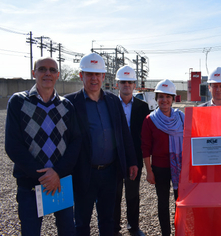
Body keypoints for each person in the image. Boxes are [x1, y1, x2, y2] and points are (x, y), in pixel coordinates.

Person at [5, 57, 81, 236]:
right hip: (30, 185)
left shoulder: (66, 106)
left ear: (58, 75)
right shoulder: (18, 102)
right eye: (42, 69)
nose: (48, 73)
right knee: (30, 232)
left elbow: (76, 141)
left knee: (68, 231)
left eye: (52, 70)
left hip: (60, 182)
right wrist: (45, 176)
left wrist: (57, 172)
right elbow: (12, 145)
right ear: (34, 73)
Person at [65, 53, 138, 236]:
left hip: (110, 173)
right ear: (81, 76)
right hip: (84, 172)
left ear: (104, 77)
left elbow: (124, 134)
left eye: (98, 74)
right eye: (89, 74)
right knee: (81, 221)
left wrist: (132, 161)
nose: (94, 78)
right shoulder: (70, 103)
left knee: (108, 219)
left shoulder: (113, 101)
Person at [141, 79, 184, 236]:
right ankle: (166, 233)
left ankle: (181, 230)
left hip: (181, 167)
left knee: (180, 202)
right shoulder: (150, 120)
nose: (164, 100)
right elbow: (145, 148)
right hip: (160, 168)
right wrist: (149, 171)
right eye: (161, 96)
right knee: (163, 202)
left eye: (168, 96)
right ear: (156, 98)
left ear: (173, 98)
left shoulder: (181, 118)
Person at [114, 66, 149, 236]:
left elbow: (146, 133)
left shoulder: (143, 107)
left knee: (132, 193)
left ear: (135, 85)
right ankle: (114, 228)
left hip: (134, 156)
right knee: (114, 193)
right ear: (117, 84)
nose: (126, 85)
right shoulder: (111, 104)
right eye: (123, 82)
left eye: (129, 82)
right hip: (113, 157)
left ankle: (133, 226)